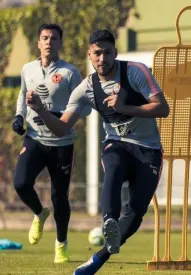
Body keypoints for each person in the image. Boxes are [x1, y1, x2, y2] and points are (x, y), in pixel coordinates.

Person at [26, 29, 169, 275]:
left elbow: (162, 108)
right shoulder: (85, 89)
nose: (102, 59)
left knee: (135, 215)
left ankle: (98, 258)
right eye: (97, 54)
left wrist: (126, 107)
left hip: (149, 150)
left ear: (115, 52)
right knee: (113, 167)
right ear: (89, 56)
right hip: (117, 142)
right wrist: (40, 110)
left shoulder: (135, 71)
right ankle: (108, 221)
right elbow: (62, 128)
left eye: (107, 53)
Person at [12, 23, 91, 264]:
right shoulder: (27, 69)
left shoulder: (70, 73)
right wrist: (18, 116)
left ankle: (61, 245)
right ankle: (39, 212)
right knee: (21, 183)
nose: (48, 42)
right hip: (35, 139)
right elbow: (23, 96)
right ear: (38, 43)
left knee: (59, 198)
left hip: (62, 144)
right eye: (44, 37)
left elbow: (84, 108)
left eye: (53, 38)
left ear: (60, 43)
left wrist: (58, 115)